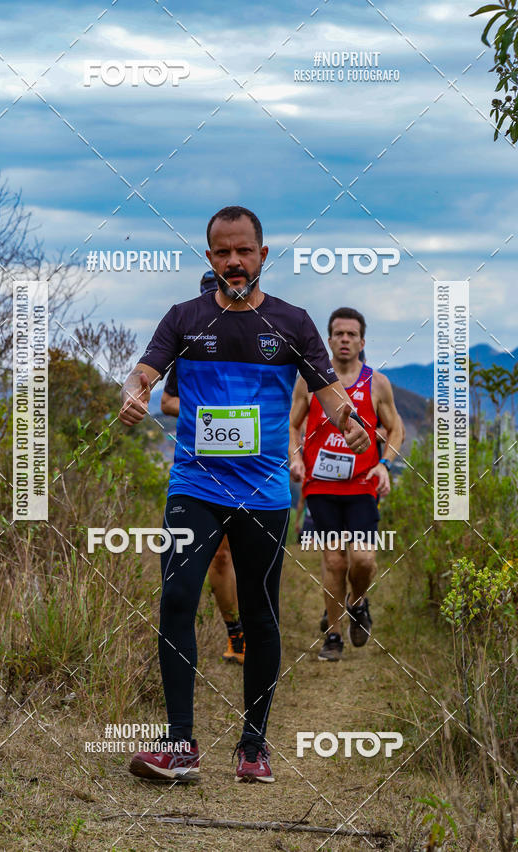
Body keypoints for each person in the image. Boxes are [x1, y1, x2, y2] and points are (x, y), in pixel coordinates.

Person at [118, 206, 370, 782]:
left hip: (262, 493)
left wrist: (351, 423)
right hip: (195, 486)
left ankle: (253, 746)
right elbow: (145, 374)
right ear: (210, 258)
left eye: (244, 251)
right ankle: (179, 746)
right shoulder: (183, 318)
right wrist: (132, 395)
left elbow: (328, 393)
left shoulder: (293, 322)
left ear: (262, 254)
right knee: (177, 599)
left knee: (261, 613)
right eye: (222, 252)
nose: (234, 262)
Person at [289, 307, 402, 662]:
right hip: (321, 486)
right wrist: (295, 457)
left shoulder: (377, 383)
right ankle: (333, 635)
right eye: (338, 333)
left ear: (362, 341)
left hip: (362, 484)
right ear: (329, 339)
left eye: (352, 334)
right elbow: (293, 426)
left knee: (363, 560)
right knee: (335, 561)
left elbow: (396, 428)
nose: (344, 339)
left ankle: (357, 602)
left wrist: (385, 464)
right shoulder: (309, 381)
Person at [161, 270, 245, 666]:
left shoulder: (252, 337)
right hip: (203, 469)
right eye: (209, 294)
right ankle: (235, 631)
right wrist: (208, 412)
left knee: (250, 554)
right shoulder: (188, 347)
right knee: (219, 557)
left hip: (251, 468)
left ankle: (261, 625)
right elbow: (167, 403)